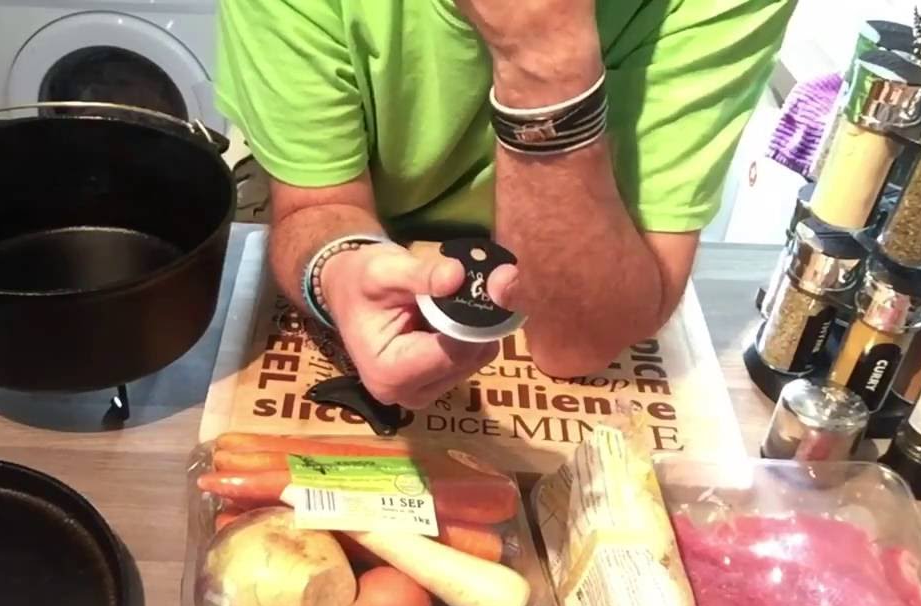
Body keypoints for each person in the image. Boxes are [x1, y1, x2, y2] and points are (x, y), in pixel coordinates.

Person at [215, 0, 796, 409]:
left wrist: (544, 63)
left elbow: (575, 343)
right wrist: (337, 269)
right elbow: (315, 205)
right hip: (378, 246)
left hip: (572, 273)